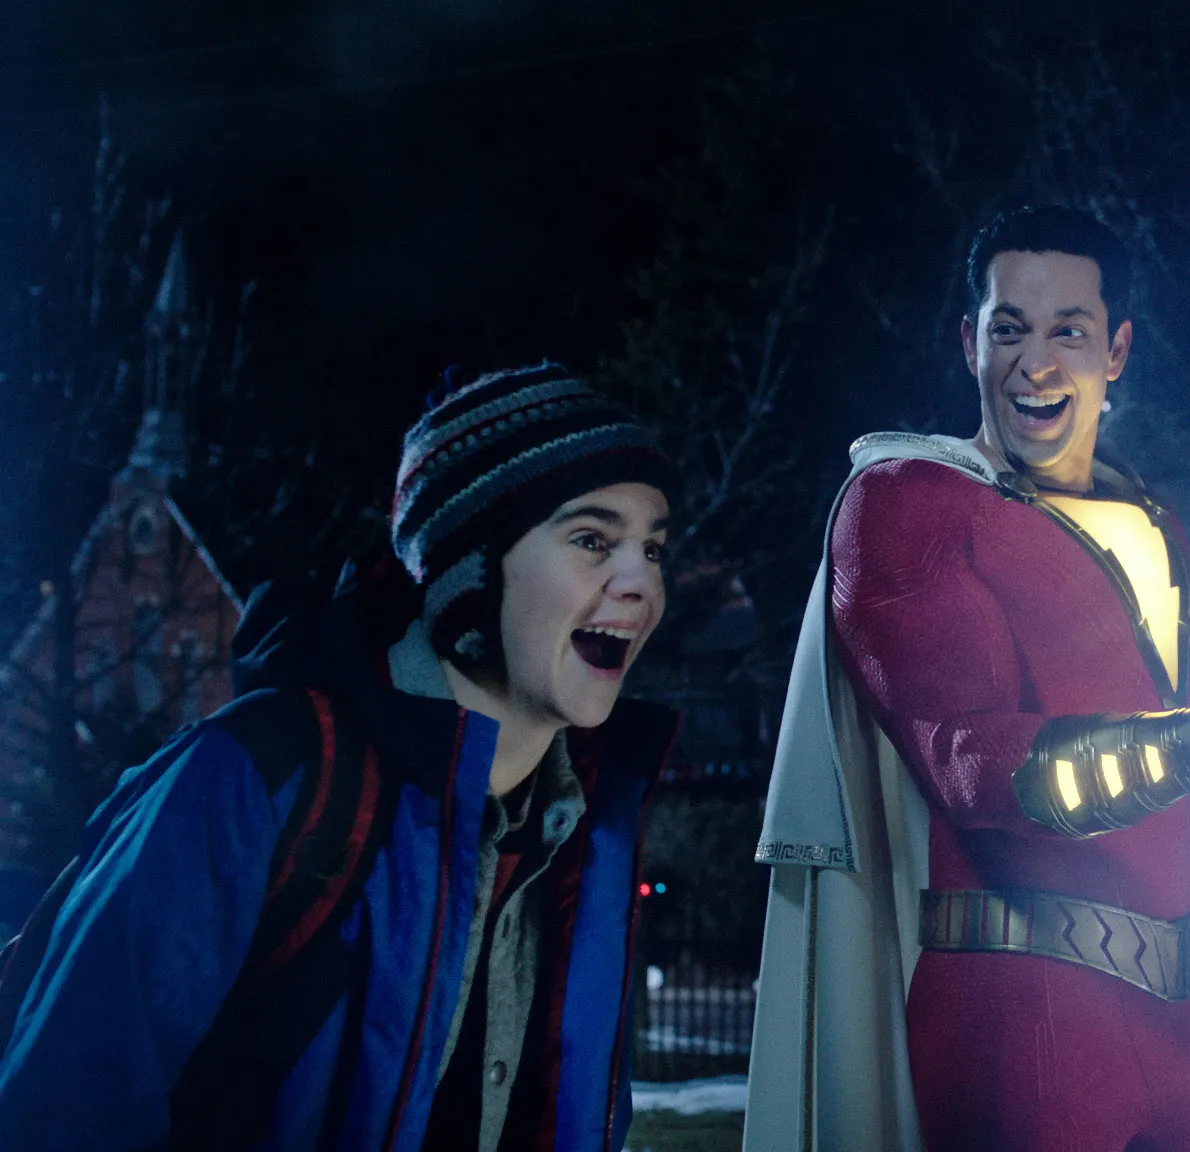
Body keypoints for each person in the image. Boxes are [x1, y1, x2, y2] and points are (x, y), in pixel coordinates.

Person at [746, 206, 1190, 1152]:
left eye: (1068, 331)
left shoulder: (1152, 524)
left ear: (1117, 350)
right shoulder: (906, 502)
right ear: (969, 343)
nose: (1035, 364)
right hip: (1021, 1018)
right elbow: (980, 765)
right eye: (1010, 330)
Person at [0, 365, 680, 1151]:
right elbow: (60, 1113)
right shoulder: (253, 778)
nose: (643, 583)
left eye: (653, 548)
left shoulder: (591, 833)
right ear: (468, 564)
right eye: (593, 540)